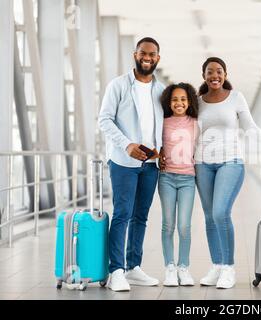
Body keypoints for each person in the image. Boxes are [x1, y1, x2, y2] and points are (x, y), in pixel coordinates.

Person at [194, 57, 261, 289]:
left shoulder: (236, 98)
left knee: (220, 213)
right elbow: (188, 132)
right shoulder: (197, 102)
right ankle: (216, 265)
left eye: (219, 71)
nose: (214, 75)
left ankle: (228, 268)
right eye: (210, 72)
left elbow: (250, 128)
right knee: (209, 216)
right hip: (202, 164)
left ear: (225, 75)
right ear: (204, 76)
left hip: (231, 162)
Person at [98, 37, 165, 292]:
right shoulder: (118, 85)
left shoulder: (161, 90)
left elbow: (165, 123)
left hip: (150, 164)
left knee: (141, 216)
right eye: (142, 53)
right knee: (123, 213)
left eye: (152, 54)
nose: (147, 57)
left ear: (158, 58)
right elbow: (104, 120)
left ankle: (133, 267)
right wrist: (127, 144)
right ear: (135, 55)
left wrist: (162, 150)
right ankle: (116, 270)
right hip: (124, 161)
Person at [158, 83, 199, 287]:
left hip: (187, 180)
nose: (179, 103)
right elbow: (155, 144)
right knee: (167, 225)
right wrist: (158, 157)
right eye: (174, 99)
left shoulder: (195, 123)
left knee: (184, 226)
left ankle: (184, 267)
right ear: (169, 102)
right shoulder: (162, 122)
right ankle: (170, 268)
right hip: (166, 178)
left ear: (189, 101)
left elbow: (201, 147)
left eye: (183, 99)